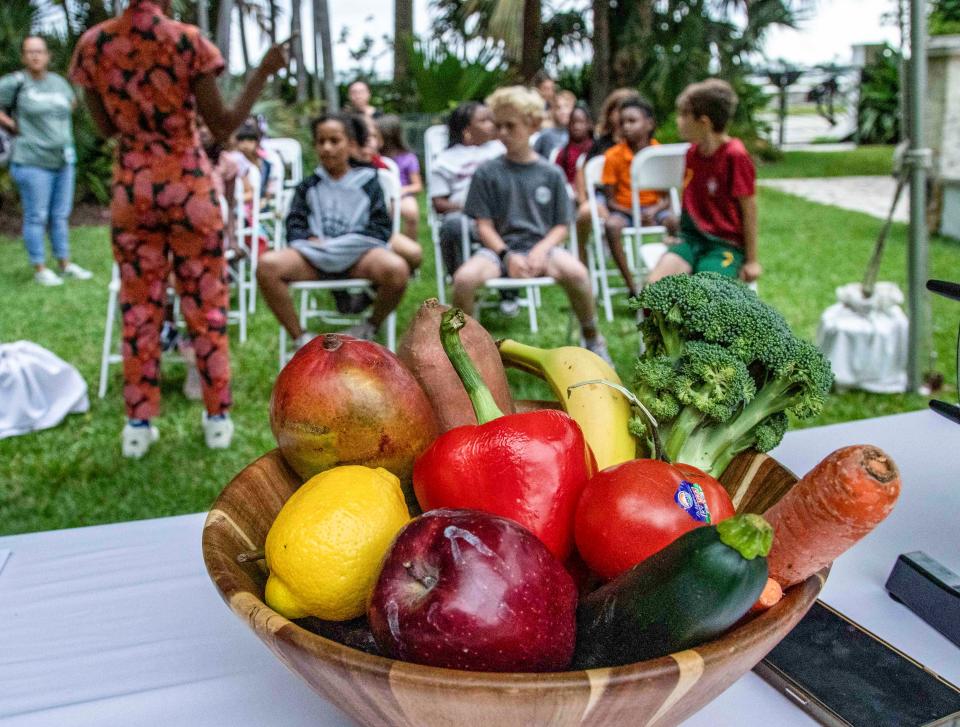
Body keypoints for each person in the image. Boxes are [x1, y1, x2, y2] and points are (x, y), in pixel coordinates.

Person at [69, 0, 289, 458]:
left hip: (134, 189)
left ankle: (138, 424)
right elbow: (225, 126)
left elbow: (106, 127)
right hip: (188, 187)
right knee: (205, 302)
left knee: (139, 307)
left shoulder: (94, 44)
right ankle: (216, 418)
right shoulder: (187, 41)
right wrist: (264, 70)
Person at [454, 86, 610, 361]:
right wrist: (506, 255)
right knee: (464, 280)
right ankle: (466, 351)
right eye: (497, 125)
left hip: (543, 248)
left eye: (510, 125)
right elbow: (484, 226)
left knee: (577, 274)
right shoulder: (487, 172)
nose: (502, 132)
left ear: (533, 125)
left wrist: (540, 251)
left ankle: (592, 338)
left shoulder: (550, 173)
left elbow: (562, 224)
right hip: (498, 251)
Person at [256, 113, 411, 348]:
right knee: (267, 266)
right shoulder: (308, 186)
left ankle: (369, 327)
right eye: (321, 141)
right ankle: (301, 338)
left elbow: (380, 229)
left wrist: (343, 244)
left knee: (397, 269)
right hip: (315, 259)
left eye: (334, 141)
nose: (327, 148)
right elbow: (294, 227)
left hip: (358, 258)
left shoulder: (370, 181)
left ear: (350, 144)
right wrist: (308, 239)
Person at [647, 78, 759, 284]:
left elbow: (749, 209)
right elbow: (691, 201)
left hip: (724, 245)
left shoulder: (735, 155)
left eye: (683, 115)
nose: (678, 121)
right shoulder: (691, 154)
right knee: (656, 289)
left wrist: (752, 261)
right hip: (690, 241)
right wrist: (678, 231)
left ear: (704, 122)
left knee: (704, 295)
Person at [0, 36, 92, 286]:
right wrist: (11, 124)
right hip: (31, 160)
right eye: (30, 52)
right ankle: (40, 267)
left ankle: (64, 263)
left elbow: (71, 105)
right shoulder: (15, 83)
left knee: (60, 215)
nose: (35, 56)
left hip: (63, 159)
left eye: (39, 51)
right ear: (23, 57)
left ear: (48, 56)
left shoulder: (59, 83)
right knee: (36, 215)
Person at [601, 97, 675, 297]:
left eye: (632, 121)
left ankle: (672, 279)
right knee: (611, 226)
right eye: (623, 122)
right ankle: (633, 287)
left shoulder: (660, 153)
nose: (626, 127)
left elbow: (668, 197)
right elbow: (610, 200)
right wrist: (632, 212)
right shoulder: (613, 156)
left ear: (649, 124)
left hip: (654, 209)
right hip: (625, 210)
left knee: (677, 223)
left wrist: (655, 210)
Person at [428, 101, 504, 276]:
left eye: (491, 120)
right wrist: (471, 207)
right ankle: (461, 280)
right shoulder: (445, 161)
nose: (491, 125)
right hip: (464, 216)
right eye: (484, 121)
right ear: (466, 130)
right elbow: (439, 203)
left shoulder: (500, 150)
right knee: (452, 225)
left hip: (500, 213)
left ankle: (508, 290)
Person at [377, 114, 422, 240]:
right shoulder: (374, 157)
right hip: (379, 195)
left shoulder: (408, 158)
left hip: (401, 195)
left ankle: (409, 245)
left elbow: (417, 186)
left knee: (411, 212)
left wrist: (402, 191)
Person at [533, 89, 575, 159]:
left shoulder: (579, 135)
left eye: (566, 106)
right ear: (553, 110)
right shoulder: (545, 135)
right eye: (558, 108)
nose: (563, 111)